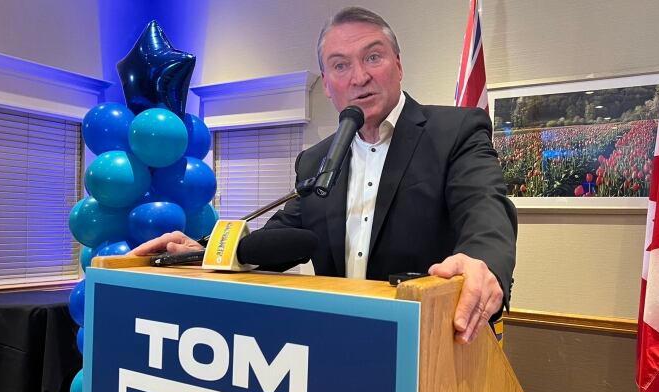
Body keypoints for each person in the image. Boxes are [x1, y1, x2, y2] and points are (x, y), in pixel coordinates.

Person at [131, 6, 517, 345]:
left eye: (374, 57)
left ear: (398, 65)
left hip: (433, 348)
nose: (359, 76)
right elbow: (274, 240)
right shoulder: (316, 160)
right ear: (328, 85)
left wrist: (481, 261)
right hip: (337, 348)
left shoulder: (455, 131)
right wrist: (199, 250)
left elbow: (485, 207)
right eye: (340, 65)